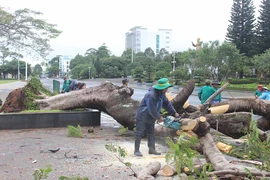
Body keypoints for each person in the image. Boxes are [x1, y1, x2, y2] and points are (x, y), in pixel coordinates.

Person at [134, 78, 180, 157]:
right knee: (139, 132)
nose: (167, 89)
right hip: (143, 115)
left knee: (151, 133)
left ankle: (152, 149)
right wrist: (158, 117)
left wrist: (174, 112)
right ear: (162, 88)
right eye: (166, 88)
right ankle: (136, 150)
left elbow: (167, 104)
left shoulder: (162, 95)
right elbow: (151, 108)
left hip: (151, 117)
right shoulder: (151, 95)